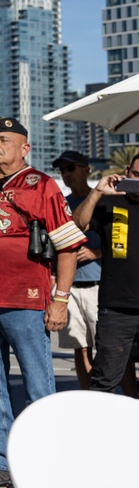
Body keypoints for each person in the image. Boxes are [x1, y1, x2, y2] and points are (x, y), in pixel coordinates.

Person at [0, 116, 86, 488]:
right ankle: (1, 460)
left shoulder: (42, 185)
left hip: (26, 301)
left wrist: (60, 300)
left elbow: (67, 247)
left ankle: (41, 463)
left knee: (37, 385)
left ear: (24, 147)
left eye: (3, 139)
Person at [71, 153, 139, 398]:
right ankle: (100, 434)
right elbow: (77, 225)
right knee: (104, 381)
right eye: (136, 175)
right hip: (116, 310)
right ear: (126, 171)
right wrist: (97, 192)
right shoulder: (109, 202)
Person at [52, 150, 108, 391]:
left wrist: (97, 253)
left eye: (70, 168)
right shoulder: (60, 204)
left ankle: (126, 400)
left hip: (100, 285)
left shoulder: (106, 200)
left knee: (109, 348)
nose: (66, 174)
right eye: (62, 170)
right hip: (71, 287)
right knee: (80, 346)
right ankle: (88, 398)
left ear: (86, 169)